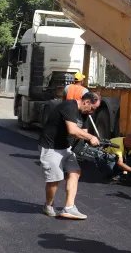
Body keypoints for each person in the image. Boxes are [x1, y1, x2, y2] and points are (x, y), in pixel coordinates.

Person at [39, 91, 101, 219]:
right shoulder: (69, 107)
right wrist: (91, 137)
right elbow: (72, 130)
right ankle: (48, 205)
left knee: (75, 172)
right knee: (55, 179)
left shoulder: (84, 113)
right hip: (51, 146)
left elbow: (83, 131)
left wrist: (93, 144)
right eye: (92, 108)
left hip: (65, 147)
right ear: (86, 102)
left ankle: (69, 207)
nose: (92, 112)